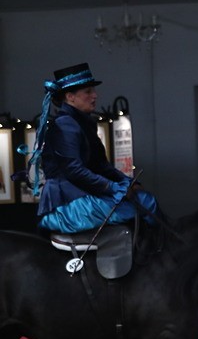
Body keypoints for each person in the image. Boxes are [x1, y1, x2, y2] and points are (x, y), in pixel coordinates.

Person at [31, 62, 159, 234]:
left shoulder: (84, 122)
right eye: (88, 91)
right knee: (144, 204)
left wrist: (128, 183)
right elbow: (73, 170)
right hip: (68, 202)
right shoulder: (65, 125)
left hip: (82, 193)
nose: (95, 96)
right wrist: (116, 189)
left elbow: (101, 166)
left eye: (93, 91)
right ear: (70, 97)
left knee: (144, 199)